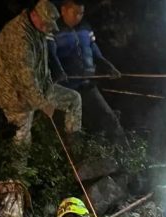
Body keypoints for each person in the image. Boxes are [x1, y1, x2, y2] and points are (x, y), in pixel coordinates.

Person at [0, 0, 82, 168]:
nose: (47, 29)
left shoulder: (38, 29)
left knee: (74, 99)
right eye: (45, 24)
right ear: (34, 15)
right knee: (22, 142)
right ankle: (17, 182)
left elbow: (43, 63)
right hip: (17, 98)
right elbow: (25, 81)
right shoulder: (18, 36)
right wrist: (43, 104)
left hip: (40, 90)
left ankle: (75, 149)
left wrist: (51, 80)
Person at [49, 0, 126, 145]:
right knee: (73, 131)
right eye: (75, 12)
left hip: (88, 85)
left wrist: (107, 65)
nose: (78, 16)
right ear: (64, 10)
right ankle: (77, 162)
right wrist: (58, 72)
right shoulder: (52, 29)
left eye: (81, 13)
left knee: (109, 119)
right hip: (68, 89)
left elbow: (93, 48)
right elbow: (50, 56)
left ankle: (126, 158)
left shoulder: (85, 27)